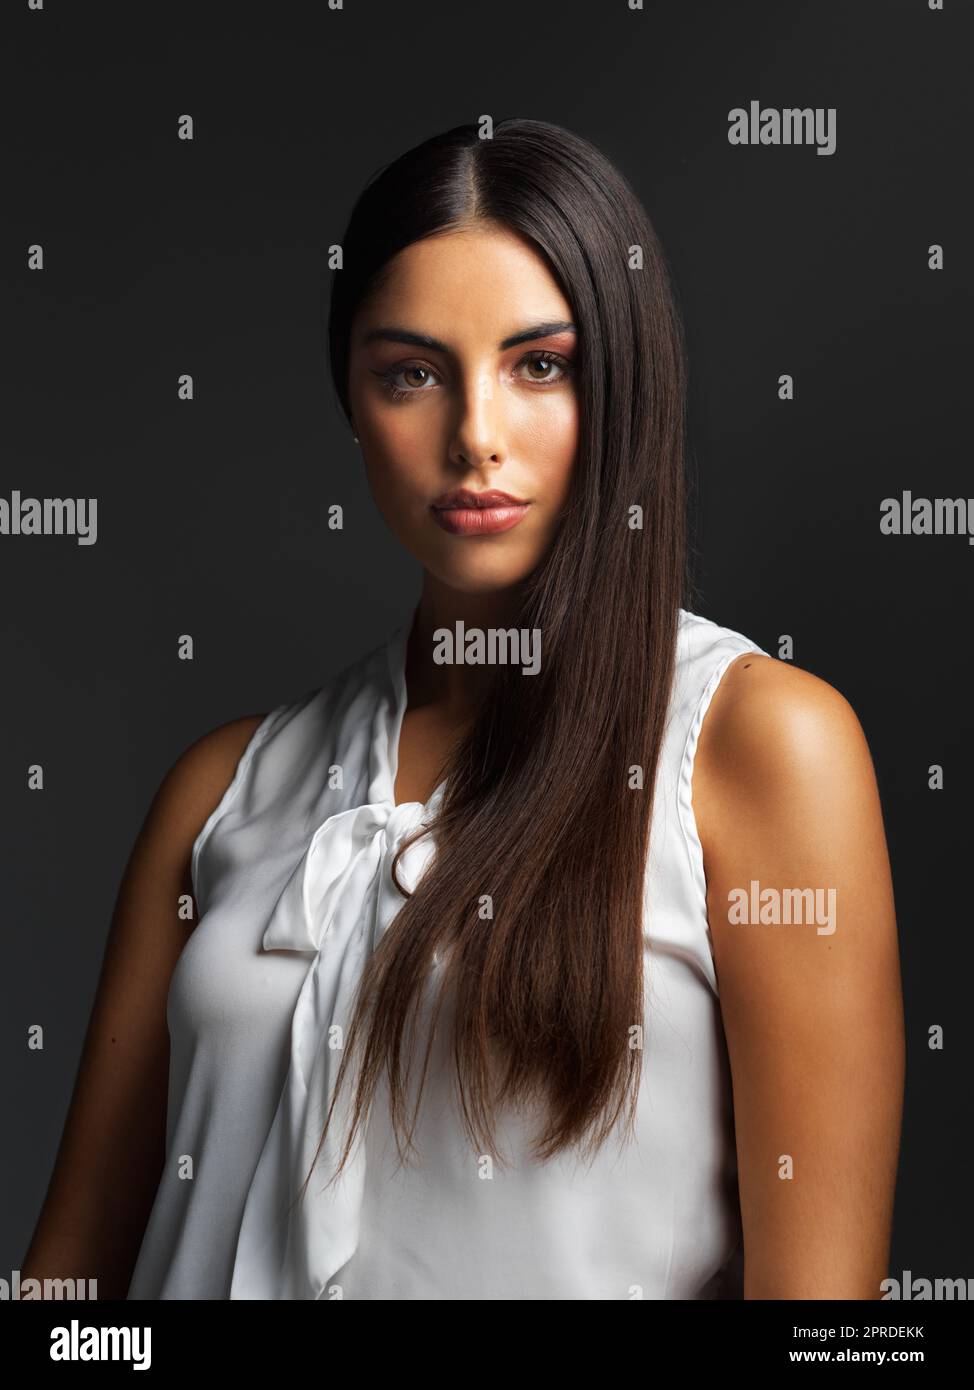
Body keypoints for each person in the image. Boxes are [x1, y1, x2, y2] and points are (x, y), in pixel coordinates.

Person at [22, 118, 903, 1300]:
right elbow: (64, 1293)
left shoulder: (756, 746)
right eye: (412, 373)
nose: (474, 437)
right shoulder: (219, 789)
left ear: (624, 383)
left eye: (540, 364)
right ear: (351, 398)